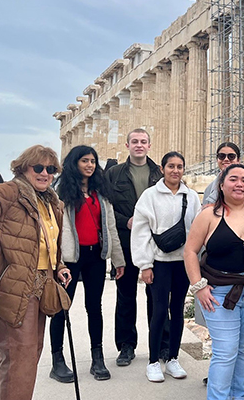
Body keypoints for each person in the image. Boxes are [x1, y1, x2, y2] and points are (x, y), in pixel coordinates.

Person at [185, 163, 244, 400]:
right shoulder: (208, 215)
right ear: (222, 184)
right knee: (225, 351)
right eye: (234, 179)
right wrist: (199, 287)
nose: (240, 184)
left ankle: (239, 396)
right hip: (218, 292)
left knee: (243, 350)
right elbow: (189, 251)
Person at [0, 145, 72, 400]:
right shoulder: (6, 192)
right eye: (39, 168)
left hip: (42, 285)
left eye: (51, 169)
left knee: (25, 355)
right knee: (20, 358)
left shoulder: (51, 201)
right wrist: (0, 250)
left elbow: (50, 243)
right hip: (15, 285)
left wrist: (61, 266)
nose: (45, 173)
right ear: (23, 167)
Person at [49, 145, 125, 382]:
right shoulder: (61, 193)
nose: (90, 165)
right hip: (71, 259)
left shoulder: (100, 193)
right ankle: (57, 360)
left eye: (93, 161)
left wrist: (118, 260)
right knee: (62, 307)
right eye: (85, 161)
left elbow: (110, 227)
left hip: (95, 257)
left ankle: (97, 358)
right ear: (75, 163)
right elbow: (55, 230)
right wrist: (57, 261)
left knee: (95, 307)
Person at [131, 151, 202, 382]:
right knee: (159, 311)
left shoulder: (191, 197)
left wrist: (197, 264)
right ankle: (153, 361)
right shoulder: (150, 196)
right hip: (159, 263)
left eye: (179, 166)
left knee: (178, 310)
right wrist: (144, 264)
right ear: (162, 169)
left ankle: (172, 358)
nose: (175, 170)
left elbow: (196, 230)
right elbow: (141, 231)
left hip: (182, 263)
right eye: (170, 166)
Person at [106, 128, 164, 366]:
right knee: (126, 293)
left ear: (149, 146)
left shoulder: (159, 173)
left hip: (155, 241)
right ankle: (126, 346)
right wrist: (126, 221)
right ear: (128, 145)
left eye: (143, 142)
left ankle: (160, 344)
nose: (139, 145)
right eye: (135, 142)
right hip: (126, 239)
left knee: (158, 295)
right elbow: (107, 207)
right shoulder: (114, 173)